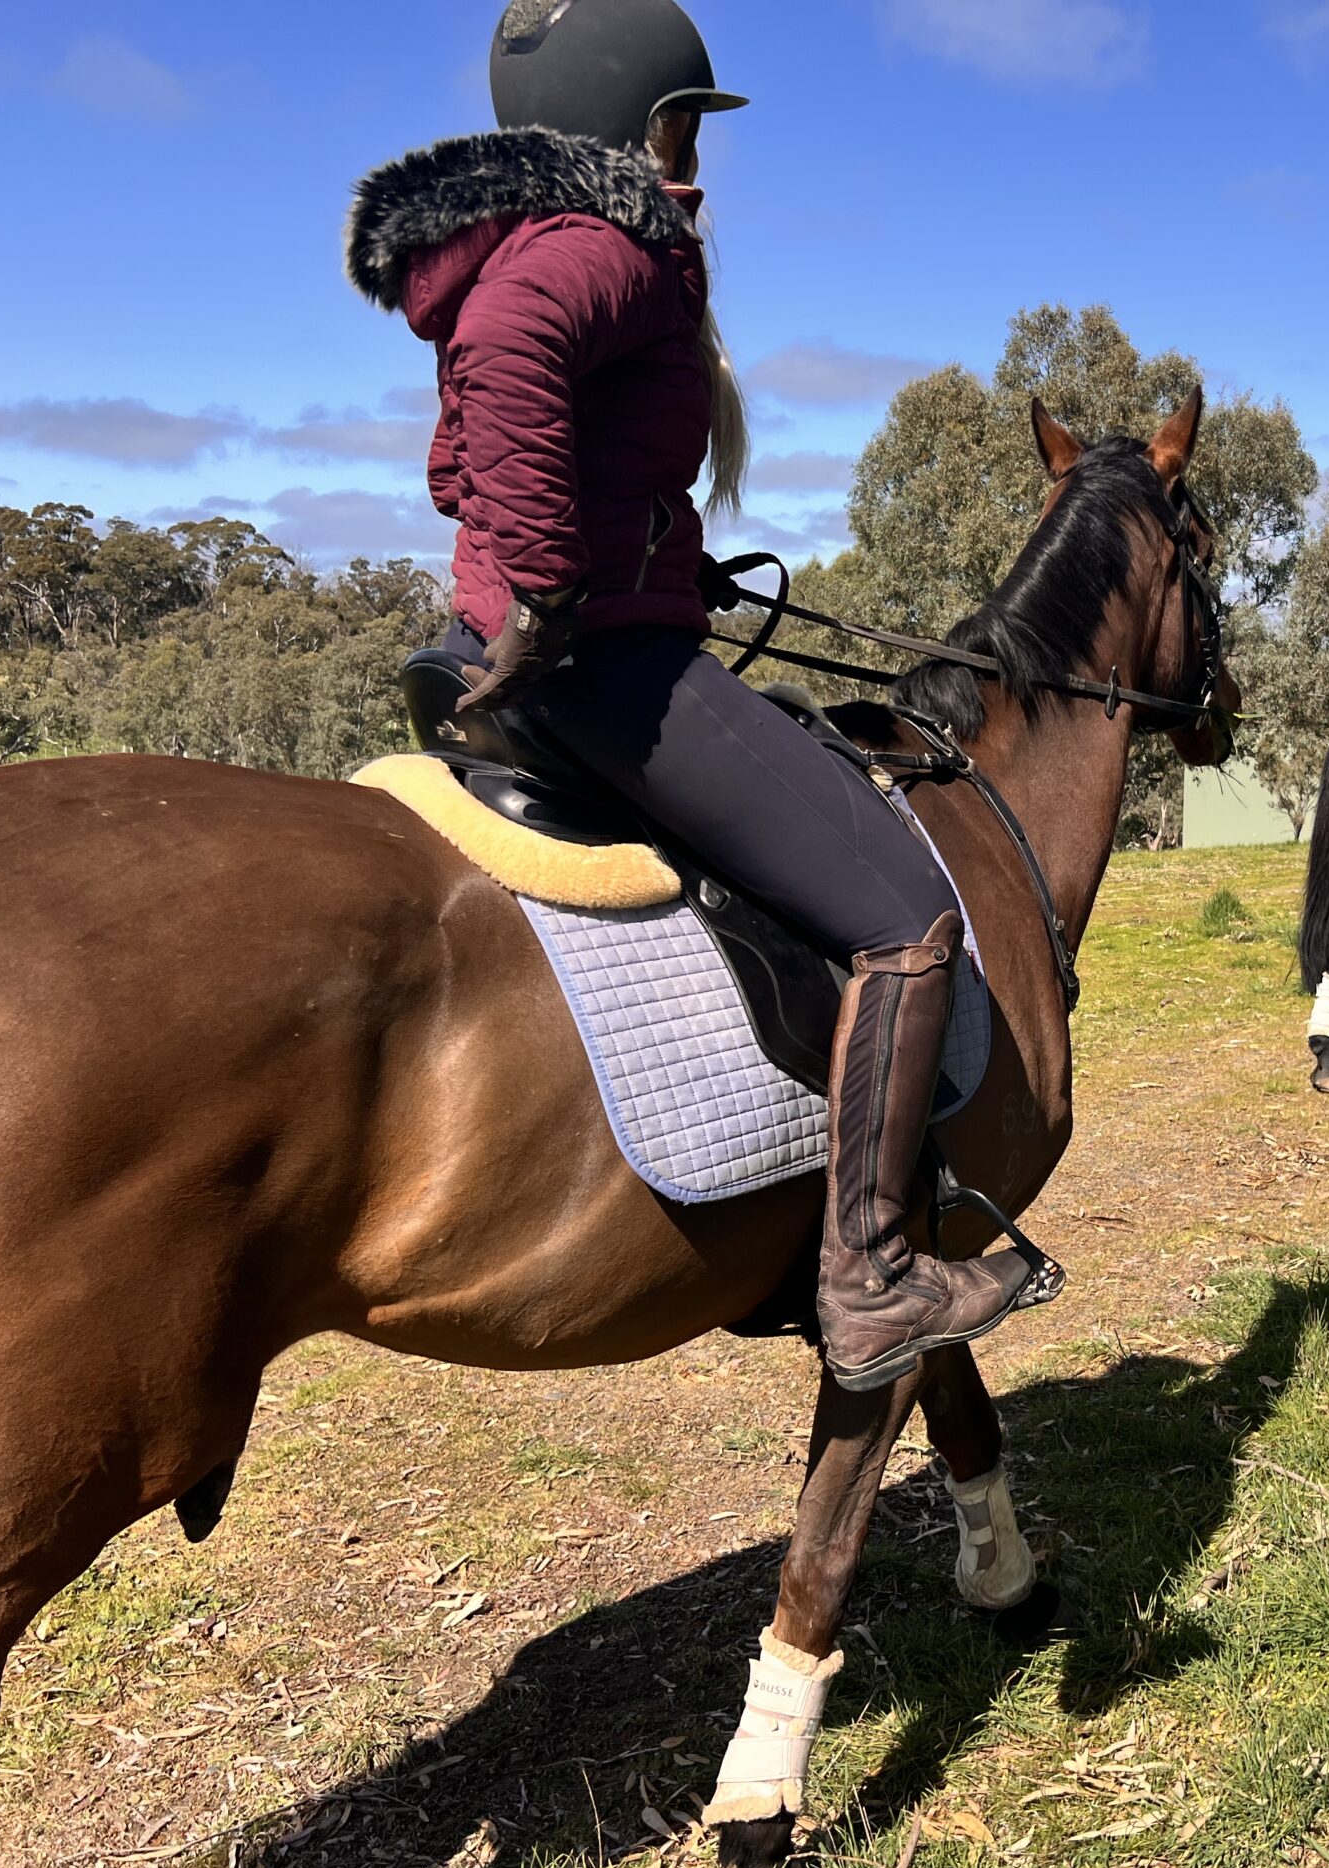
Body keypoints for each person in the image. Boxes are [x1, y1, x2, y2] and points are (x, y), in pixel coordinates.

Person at [345, 0, 1045, 1392]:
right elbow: (509, 371)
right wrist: (558, 582)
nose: (692, 156)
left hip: (556, 636)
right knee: (907, 918)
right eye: (682, 124)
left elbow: (456, 470)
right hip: (598, 665)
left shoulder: (505, 241)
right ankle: (871, 1275)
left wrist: (656, 549)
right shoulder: (602, 247)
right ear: (631, 114)